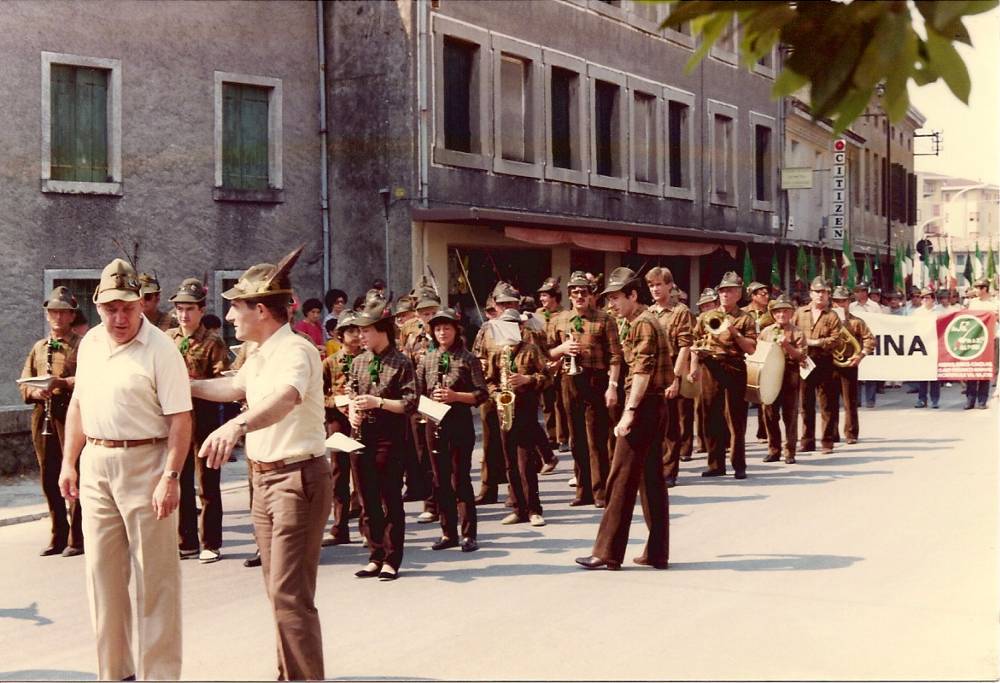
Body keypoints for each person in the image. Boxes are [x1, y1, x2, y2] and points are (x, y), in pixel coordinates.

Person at [190, 248, 331, 680]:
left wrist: (236, 427)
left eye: (236, 306)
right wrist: (183, 383)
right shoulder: (259, 353)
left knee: (290, 594)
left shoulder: (296, 351)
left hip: (296, 478)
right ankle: (288, 673)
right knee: (278, 591)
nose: (230, 316)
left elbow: (284, 400)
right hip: (265, 479)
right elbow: (234, 387)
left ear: (263, 311)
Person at [59, 258, 193, 681]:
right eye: (111, 308)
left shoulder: (161, 349)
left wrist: (170, 476)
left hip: (147, 464)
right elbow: (79, 405)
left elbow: (180, 420)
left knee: (155, 580)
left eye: (128, 308)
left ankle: (159, 675)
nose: (119, 318)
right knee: (102, 577)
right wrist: (68, 462)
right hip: (96, 463)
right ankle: (115, 672)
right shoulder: (92, 343)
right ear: (97, 306)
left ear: (142, 306)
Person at [576, 268, 671, 570]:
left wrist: (629, 412)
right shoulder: (636, 321)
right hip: (653, 406)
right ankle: (657, 552)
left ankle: (607, 552)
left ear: (633, 295)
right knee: (652, 479)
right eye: (609, 299)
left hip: (643, 407)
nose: (612, 305)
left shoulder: (643, 324)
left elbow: (642, 371)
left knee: (619, 478)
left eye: (617, 298)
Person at [348, 295, 416, 581]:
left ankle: (391, 558)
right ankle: (375, 555)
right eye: (360, 330)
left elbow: (410, 403)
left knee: (389, 496)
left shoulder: (401, 362)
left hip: (390, 436)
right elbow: (351, 392)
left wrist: (378, 403)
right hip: (362, 435)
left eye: (365, 330)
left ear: (382, 330)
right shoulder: (359, 361)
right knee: (367, 498)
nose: (360, 335)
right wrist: (352, 410)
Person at [166, 278, 230, 563]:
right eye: (179, 308)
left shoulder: (213, 342)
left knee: (207, 483)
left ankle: (210, 541)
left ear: (201, 310)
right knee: (179, 479)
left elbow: (223, 381)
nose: (184, 315)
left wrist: (196, 383)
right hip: (175, 418)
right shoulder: (168, 340)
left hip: (203, 416)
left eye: (190, 308)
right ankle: (186, 540)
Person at [549, 271, 623, 506]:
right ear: (569, 295)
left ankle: (600, 491)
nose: (579, 295)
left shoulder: (604, 319)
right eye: (575, 291)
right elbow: (546, 353)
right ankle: (583, 491)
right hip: (569, 381)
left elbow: (615, 356)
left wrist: (612, 386)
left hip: (595, 379)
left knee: (596, 438)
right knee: (576, 438)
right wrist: (563, 349)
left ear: (591, 294)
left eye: (584, 291)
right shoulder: (559, 320)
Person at [417, 308, 488, 551]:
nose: (442, 332)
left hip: (459, 420)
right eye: (437, 328)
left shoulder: (468, 358)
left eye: (446, 327)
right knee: (440, 480)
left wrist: (455, 396)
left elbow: (481, 394)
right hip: (434, 422)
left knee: (460, 479)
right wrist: (427, 406)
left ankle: (469, 534)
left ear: (456, 330)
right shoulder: (427, 358)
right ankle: (448, 533)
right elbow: (417, 391)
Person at [20, 285, 83, 557]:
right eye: (53, 312)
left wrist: (61, 383)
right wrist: (36, 390)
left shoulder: (82, 346)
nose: (58, 317)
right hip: (42, 413)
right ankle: (58, 534)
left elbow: (89, 379)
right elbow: (24, 383)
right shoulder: (39, 347)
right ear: (47, 316)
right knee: (49, 476)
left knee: (75, 473)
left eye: (63, 312)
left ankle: (77, 537)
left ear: (71, 316)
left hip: (71, 412)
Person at [484, 308, 549, 526]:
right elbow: (490, 380)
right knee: (510, 463)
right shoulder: (498, 351)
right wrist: (496, 396)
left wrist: (527, 380)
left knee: (525, 463)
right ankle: (518, 509)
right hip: (505, 411)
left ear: (521, 327)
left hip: (526, 411)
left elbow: (547, 377)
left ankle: (534, 509)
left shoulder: (531, 349)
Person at [689, 272, 757, 479]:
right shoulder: (705, 316)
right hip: (711, 367)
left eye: (730, 290)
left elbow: (752, 349)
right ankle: (715, 464)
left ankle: (739, 465)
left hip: (734, 367)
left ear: (738, 294)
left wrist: (734, 331)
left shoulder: (745, 318)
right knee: (710, 416)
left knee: (736, 418)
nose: (725, 294)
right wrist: (694, 365)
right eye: (722, 291)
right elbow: (694, 342)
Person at [645, 267, 690, 488]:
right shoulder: (648, 312)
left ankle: (669, 470)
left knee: (671, 424)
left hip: (670, 368)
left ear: (670, 286)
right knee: (653, 423)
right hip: (650, 371)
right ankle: (656, 467)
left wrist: (675, 378)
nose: (655, 289)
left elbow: (684, 347)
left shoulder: (680, 311)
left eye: (659, 284)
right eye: (651, 285)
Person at [321, 311, 362, 546]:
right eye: (351, 331)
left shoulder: (368, 359)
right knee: (339, 473)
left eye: (359, 331)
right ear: (341, 335)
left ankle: (368, 526)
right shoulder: (330, 362)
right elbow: (317, 393)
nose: (356, 336)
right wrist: (335, 401)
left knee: (363, 472)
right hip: (337, 419)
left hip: (362, 419)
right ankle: (339, 526)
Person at [793, 277, 843, 453]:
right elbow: (792, 332)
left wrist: (815, 342)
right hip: (804, 361)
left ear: (828, 295)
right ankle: (807, 441)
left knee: (826, 403)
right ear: (810, 293)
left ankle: (827, 442)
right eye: (817, 292)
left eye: (824, 292)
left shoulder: (832, 315)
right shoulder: (800, 312)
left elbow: (836, 340)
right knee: (805, 403)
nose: (820, 295)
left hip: (824, 361)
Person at [758, 295, 806, 463]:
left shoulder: (797, 332)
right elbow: (759, 352)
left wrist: (787, 345)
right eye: (778, 312)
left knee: (790, 415)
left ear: (791, 313)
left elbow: (801, 357)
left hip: (789, 374)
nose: (781, 315)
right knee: (769, 414)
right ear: (773, 314)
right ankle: (774, 449)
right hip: (770, 375)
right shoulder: (766, 332)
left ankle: (790, 451)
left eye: (785, 311)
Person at [831, 286, 875, 444]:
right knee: (830, 401)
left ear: (849, 302)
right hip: (830, 364)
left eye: (844, 301)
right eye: (837, 301)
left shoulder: (856, 321)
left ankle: (851, 434)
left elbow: (870, 339)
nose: (840, 304)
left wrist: (860, 355)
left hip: (849, 363)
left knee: (850, 401)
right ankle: (831, 433)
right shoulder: (827, 320)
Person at [535, 276, 568, 453]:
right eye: (541, 296)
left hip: (560, 362)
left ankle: (563, 438)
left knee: (561, 402)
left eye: (545, 295)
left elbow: (566, 342)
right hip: (543, 363)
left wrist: (560, 362)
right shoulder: (537, 315)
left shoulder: (565, 315)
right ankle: (552, 436)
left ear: (555, 296)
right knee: (546, 403)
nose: (542, 299)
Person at [742, 281, 773, 443]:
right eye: (762, 294)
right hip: (747, 356)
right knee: (743, 396)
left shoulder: (772, 312)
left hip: (765, 355)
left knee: (765, 395)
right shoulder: (743, 313)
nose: (767, 296)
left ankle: (764, 432)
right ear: (753, 296)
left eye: (767, 293)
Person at [965, 278, 997, 409]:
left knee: (984, 369)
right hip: (974, 339)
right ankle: (970, 400)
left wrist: (995, 315)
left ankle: (982, 400)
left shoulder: (993, 304)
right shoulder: (972, 303)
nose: (976, 290)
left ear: (984, 289)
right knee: (972, 370)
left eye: (978, 288)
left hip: (988, 339)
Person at [912, 287, 942, 409]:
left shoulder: (938, 312)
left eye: (927, 297)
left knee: (934, 375)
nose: (924, 299)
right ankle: (922, 399)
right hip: (921, 346)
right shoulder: (917, 312)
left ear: (933, 299)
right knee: (922, 374)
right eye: (922, 297)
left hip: (934, 345)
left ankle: (935, 399)